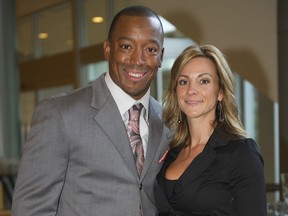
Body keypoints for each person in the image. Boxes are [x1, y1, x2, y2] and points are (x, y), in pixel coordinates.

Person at [12, 5, 170, 216]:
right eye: (126, 47)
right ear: (107, 49)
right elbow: (30, 209)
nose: (137, 60)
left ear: (161, 56)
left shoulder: (169, 122)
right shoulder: (59, 114)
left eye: (150, 50)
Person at [154, 45, 267, 215]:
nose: (191, 90)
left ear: (220, 92)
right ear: (176, 92)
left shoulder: (242, 152)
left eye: (204, 81)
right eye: (183, 81)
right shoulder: (170, 151)